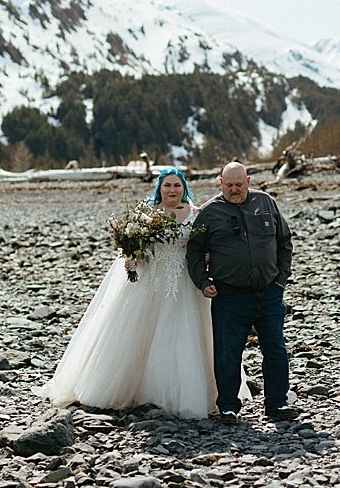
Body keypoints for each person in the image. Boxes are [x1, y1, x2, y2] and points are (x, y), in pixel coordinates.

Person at [39, 168, 217, 419]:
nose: (172, 190)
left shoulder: (196, 215)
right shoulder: (148, 215)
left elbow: (202, 246)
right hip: (151, 279)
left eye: (177, 185)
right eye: (167, 185)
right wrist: (131, 259)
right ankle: (132, 389)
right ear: (160, 188)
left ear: (184, 188)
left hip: (185, 281)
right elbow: (134, 248)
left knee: (185, 334)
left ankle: (180, 392)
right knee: (138, 331)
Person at [185, 160, 298, 424]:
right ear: (220, 183)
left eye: (239, 184)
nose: (234, 189)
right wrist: (203, 282)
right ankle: (228, 407)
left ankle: (277, 404)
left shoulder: (266, 203)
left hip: (269, 292)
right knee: (228, 353)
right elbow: (194, 251)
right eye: (229, 185)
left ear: (248, 181)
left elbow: (285, 242)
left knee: (276, 350)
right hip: (229, 295)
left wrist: (281, 279)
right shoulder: (210, 212)